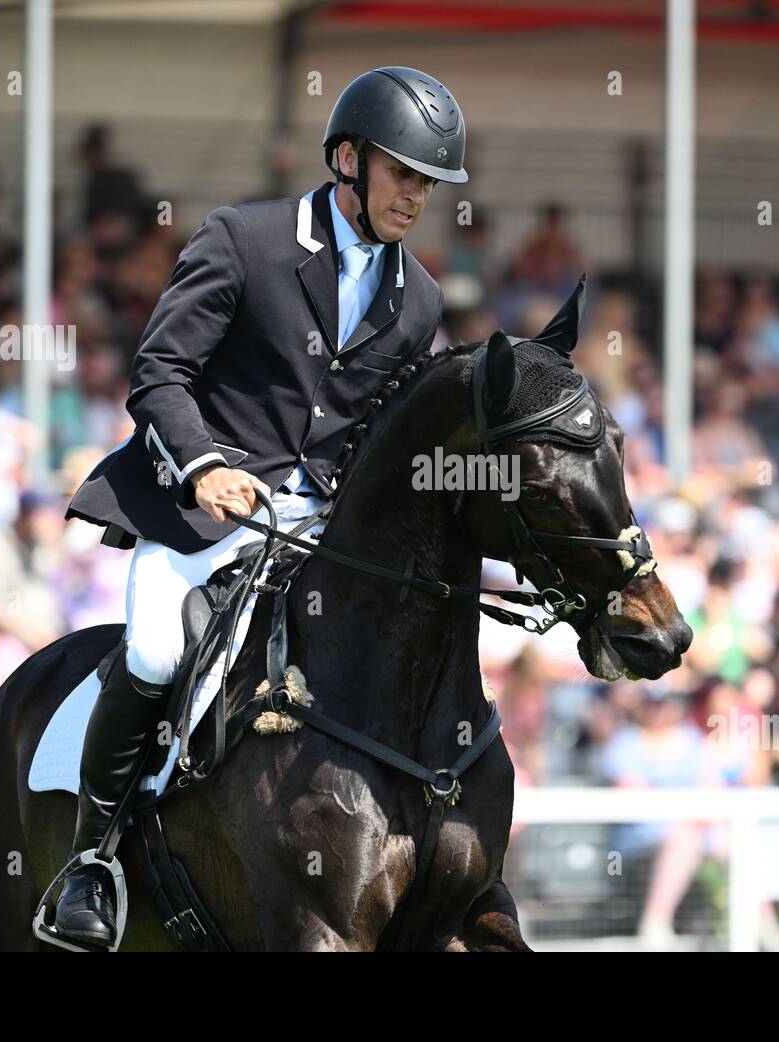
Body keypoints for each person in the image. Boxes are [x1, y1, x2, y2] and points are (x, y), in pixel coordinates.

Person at [52, 67, 468, 946]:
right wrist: (203, 467)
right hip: (203, 510)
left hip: (315, 528)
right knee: (162, 651)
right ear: (349, 160)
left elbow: (378, 440)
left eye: (430, 182)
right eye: (405, 173)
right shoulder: (247, 238)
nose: (417, 196)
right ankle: (90, 860)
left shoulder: (420, 298)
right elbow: (160, 374)